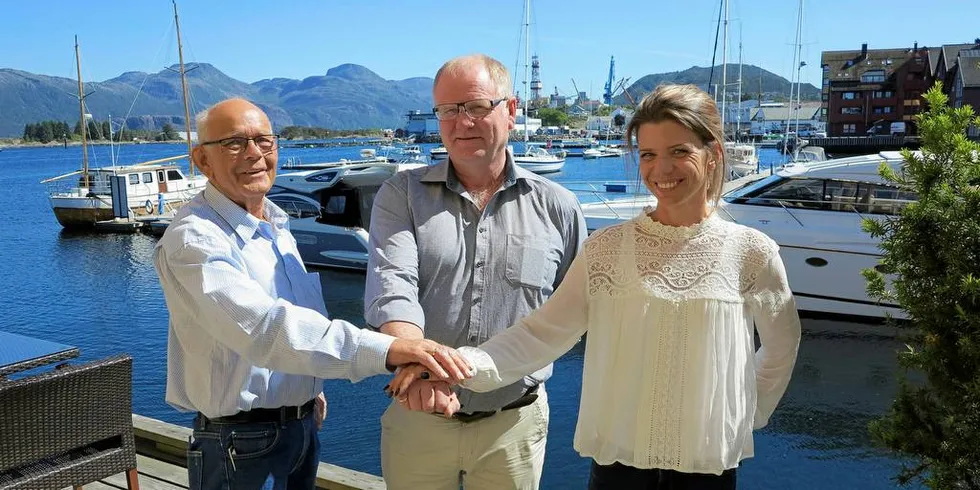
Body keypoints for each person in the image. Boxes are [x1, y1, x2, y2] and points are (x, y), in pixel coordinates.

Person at [391, 84, 803, 490]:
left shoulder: (751, 251)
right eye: (648, 154)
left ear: (712, 154)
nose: (661, 170)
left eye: (680, 151)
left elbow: (782, 346)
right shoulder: (605, 249)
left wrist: (744, 414)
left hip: (708, 468)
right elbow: (539, 336)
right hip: (617, 469)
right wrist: (454, 366)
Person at [154, 98, 471, 490]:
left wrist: (306, 390)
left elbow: (297, 319)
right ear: (202, 160)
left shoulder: (274, 223)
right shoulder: (195, 238)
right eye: (234, 143)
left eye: (264, 141)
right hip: (241, 445)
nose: (254, 153)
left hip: (298, 428)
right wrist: (393, 351)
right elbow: (264, 330)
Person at [364, 54, 587, 490]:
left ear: (511, 110)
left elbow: (575, 310)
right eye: (448, 110)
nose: (461, 121)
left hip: (515, 423)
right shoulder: (401, 195)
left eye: (477, 106)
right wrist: (423, 366)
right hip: (418, 417)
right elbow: (393, 286)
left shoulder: (559, 207)